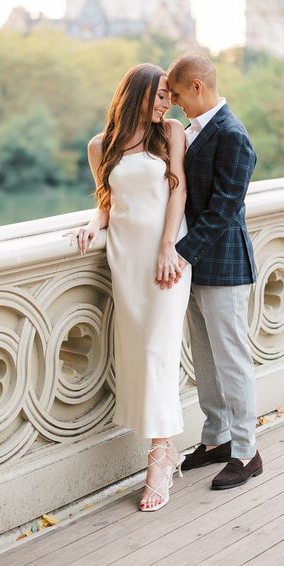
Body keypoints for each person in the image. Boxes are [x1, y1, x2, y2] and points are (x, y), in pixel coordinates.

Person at [71, 63, 191, 511]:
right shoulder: (101, 145)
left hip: (166, 258)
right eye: (160, 95)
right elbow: (106, 202)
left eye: (169, 96)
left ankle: (160, 459)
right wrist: (90, 223)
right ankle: (166, 450)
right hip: (125, 258)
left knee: (159, 351)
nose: (167, 103)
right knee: (140, 353)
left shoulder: (172, 133)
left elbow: (177, 193)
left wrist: (168, 247)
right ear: (137, 94)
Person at [166, 53, 262, 490]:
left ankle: (246, 452)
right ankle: (216, 438)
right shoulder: (192, 131)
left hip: (223, 263)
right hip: (195, 266)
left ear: (198, 87)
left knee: (232, 360)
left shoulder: (232, 135)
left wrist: (180, 252)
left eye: (180, 95)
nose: (177, 104)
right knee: (205, 359)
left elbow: (224, 208)